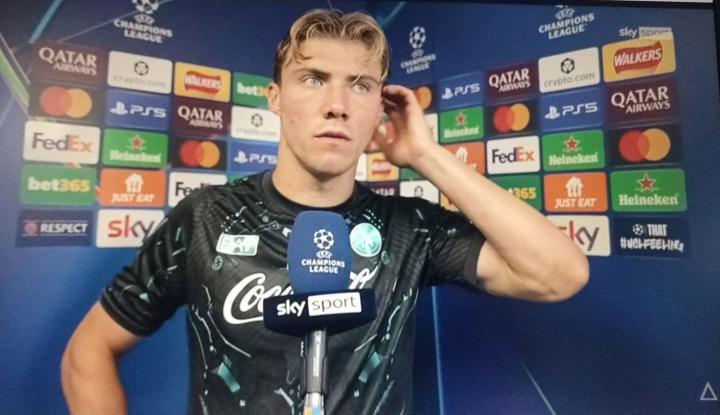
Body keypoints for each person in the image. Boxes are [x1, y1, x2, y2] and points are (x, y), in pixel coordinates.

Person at [61, 8, 589, 415]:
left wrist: (426, 156)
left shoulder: (408, 228)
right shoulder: (204, 218)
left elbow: (558, 274)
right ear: (275, 97)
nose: (337, 104)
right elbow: (88, 353)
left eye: (360, 85)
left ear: (379, 106)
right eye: (313, 78)